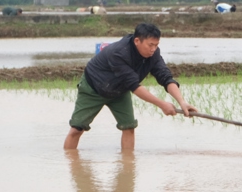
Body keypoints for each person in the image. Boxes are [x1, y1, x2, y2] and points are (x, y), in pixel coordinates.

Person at [64, 23, 197, 151]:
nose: (153, 49)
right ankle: (69, 164)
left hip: (120, 90)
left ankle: (127, 166)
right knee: (77, 129)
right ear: (137, 41)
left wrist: (182, 102)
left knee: (128, 127)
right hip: (93, 88)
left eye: (156, 45)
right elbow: (134, 86)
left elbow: (166, 78)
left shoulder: (153, 54)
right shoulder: (119, 53)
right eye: (150, 45)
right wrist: (162, 104)